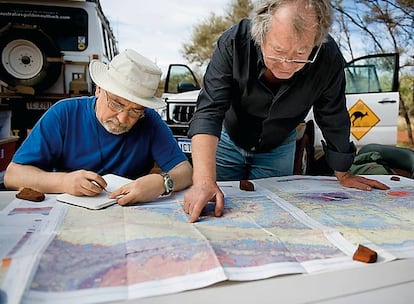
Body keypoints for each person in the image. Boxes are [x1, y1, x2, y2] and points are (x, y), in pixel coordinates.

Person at [183, 0, 389, 222]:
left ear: (317, 41)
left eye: (301, 53)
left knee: (270, 216)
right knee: (216, 211)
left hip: (279, 145)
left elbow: (333, 116)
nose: (287, 64)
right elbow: (209, 109)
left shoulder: (328, 58)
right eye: (278, 50)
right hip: (228, 139)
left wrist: (343, 171)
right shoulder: (234, 42)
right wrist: (203, 180)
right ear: (260, 33)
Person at [4, 49, 192, 205]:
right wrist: (64, 181)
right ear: (98, 88)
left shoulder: (149, 120)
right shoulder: (64, 114)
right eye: (116, 104)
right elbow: (13, 175)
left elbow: (185, 170)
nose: (122, 117)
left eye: (135, 110)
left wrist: (162, 182)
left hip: (127, 213)